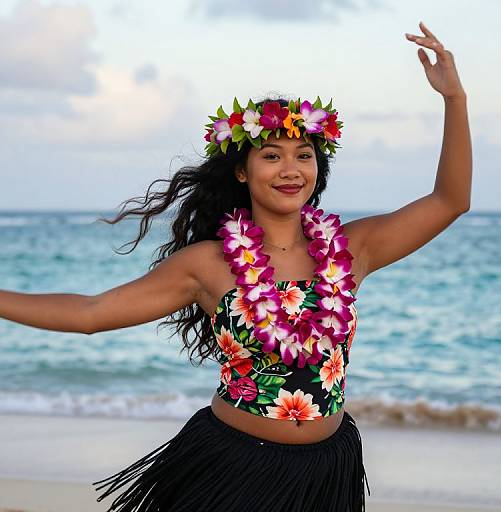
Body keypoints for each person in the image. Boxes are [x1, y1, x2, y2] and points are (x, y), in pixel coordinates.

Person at [0, 21, 471, 512]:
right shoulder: (208, 265)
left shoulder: (354, 247)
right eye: (272, 155)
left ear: (318, 168)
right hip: (231, 469)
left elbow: (450, 200)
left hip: (328, 473)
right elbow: (91, 313)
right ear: (243, 170)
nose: (290, 169)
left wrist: (454, 99)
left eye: (303, 155)